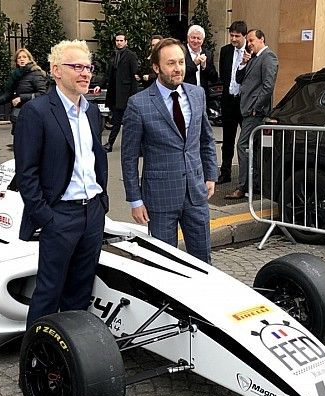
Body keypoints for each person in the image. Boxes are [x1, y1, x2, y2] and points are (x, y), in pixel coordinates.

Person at [14, 39, 109, 327]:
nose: (85, 73)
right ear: (56, 70)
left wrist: (102, 202)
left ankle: (71, 356)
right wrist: (46, 216)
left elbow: (95, 157)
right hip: (60, 215)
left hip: (92, 212)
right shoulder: (37, 112)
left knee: (80, 291)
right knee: (49, 291)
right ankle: (36, 361)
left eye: (88, 67)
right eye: (76, 66)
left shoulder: (91, 111)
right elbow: (26, 173)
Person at [121, 38, 218, 264]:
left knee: (203, 261)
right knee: (163, 263)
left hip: (196, 193)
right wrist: (135, 200)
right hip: (160, 198)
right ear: (156, 68)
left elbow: (206, 138)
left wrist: (211, 174)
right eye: (171, 63)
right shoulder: (139, 104)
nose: (178, 69)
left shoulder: (196, 94)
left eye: (181, 62)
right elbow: (129, 157)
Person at [225, 29, 278, 200]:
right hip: (247, 108)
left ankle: (243, 186)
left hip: (255, 111)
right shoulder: (253, 58)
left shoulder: (268, 57)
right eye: (248, 41)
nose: (249, 44)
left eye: (252, 40)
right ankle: (252, 184)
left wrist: (257, 106)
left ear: (262, 39)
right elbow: (240, 79)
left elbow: (268, 86)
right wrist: (243, 63)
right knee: (251, 147)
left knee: (243, 145)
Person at [0, 48, 49, 135]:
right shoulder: (16, 75)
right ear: (16, 61)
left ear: (29, 59)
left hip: (32, 115)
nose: (22, 59)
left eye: (24, 57)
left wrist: (21, 98)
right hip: (18, 116)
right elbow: (9, 94)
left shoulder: (36, 73)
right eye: (19, 58)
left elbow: (42, 94)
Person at [217, 21, 247, 184]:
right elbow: (224, 75)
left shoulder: (250, 52)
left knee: (246, 141)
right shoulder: (225, 51)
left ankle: (249, 175)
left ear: (244, 36)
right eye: (232, 35)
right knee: (227, 140)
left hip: (244, 103)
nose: (234, 39)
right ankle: (225, 172)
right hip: (228, 100)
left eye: (237, 36)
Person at [103, 32, 138, 152]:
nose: (119, 43)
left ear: (126, 42)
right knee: (116, 121)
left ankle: (112, 144)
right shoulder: (114, 55)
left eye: (121, 40)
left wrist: (133, 96)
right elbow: (109, 74)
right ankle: (110, 143)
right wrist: (100, 86)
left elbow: (134, 76)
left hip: (126, 94)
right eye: (117, 41)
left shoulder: (131, 56)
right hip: (115, 94)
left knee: (129, 123)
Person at [183, 25, 218, 104]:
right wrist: (194, 64)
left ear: (203, 40)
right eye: (193, 37)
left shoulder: (207, 54)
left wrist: (204, 66)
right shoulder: (181, 52)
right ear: (188, 38)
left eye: (198, 38)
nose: (195, 41)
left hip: (202, 96)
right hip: (185, 95)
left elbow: (214, 78)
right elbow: (181, 73)